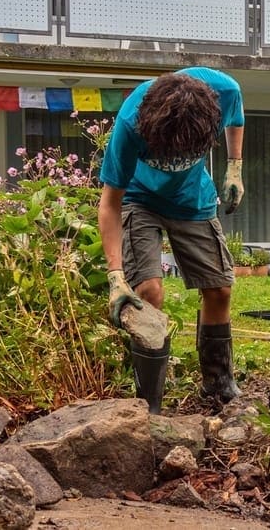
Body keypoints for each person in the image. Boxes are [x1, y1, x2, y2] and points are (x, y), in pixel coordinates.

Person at [98, 67, 246, 413]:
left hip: (192, 199)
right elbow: (109, 204)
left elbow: (236, 118)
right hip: (138, 198)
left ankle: (218, 381)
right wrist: (116, 277)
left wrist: (234, 167)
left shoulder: (224, 91)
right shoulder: (130, 122)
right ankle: (149, 401)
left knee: (219, 287)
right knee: (148, 291)